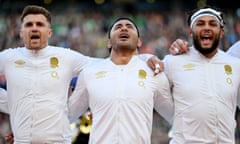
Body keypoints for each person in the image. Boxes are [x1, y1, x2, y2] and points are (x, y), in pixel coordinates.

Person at [0, 5, 164, 144]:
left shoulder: (66, 57)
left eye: (39, 24)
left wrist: (145, 57)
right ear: (21, 32)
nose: (34, 28)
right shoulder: (7, 57)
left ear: (49, 32)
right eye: (29, 25)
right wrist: (16, 107)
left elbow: (108, 63)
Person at [68, 17, 174, 143]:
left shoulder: (154, 73)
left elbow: (176, 118)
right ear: (108, 43)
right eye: (118, 27)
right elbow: (68, 116)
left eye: (129, 27)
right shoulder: (89, 73)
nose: (124, 28)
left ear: (139, 42)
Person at [163, 6, 240, 143]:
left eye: (212, 24)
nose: (206, 27)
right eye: (200, 23)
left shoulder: (235, 64)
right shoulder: (172, 62)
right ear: (191, 32)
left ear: (221, 32)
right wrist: (147, 58)